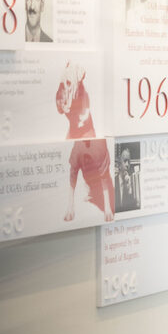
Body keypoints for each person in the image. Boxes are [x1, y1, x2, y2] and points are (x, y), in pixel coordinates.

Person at [57, 64, 111, 222]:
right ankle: (70, 206)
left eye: (69, 84)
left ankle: (106, 206)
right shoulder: (67, 96)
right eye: (65, 85)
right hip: (77, 138)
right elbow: (63, 107)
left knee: (99, 165)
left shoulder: (84, 98)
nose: (66, 89)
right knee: (74, 166)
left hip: (87, 137)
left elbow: (83, 115)